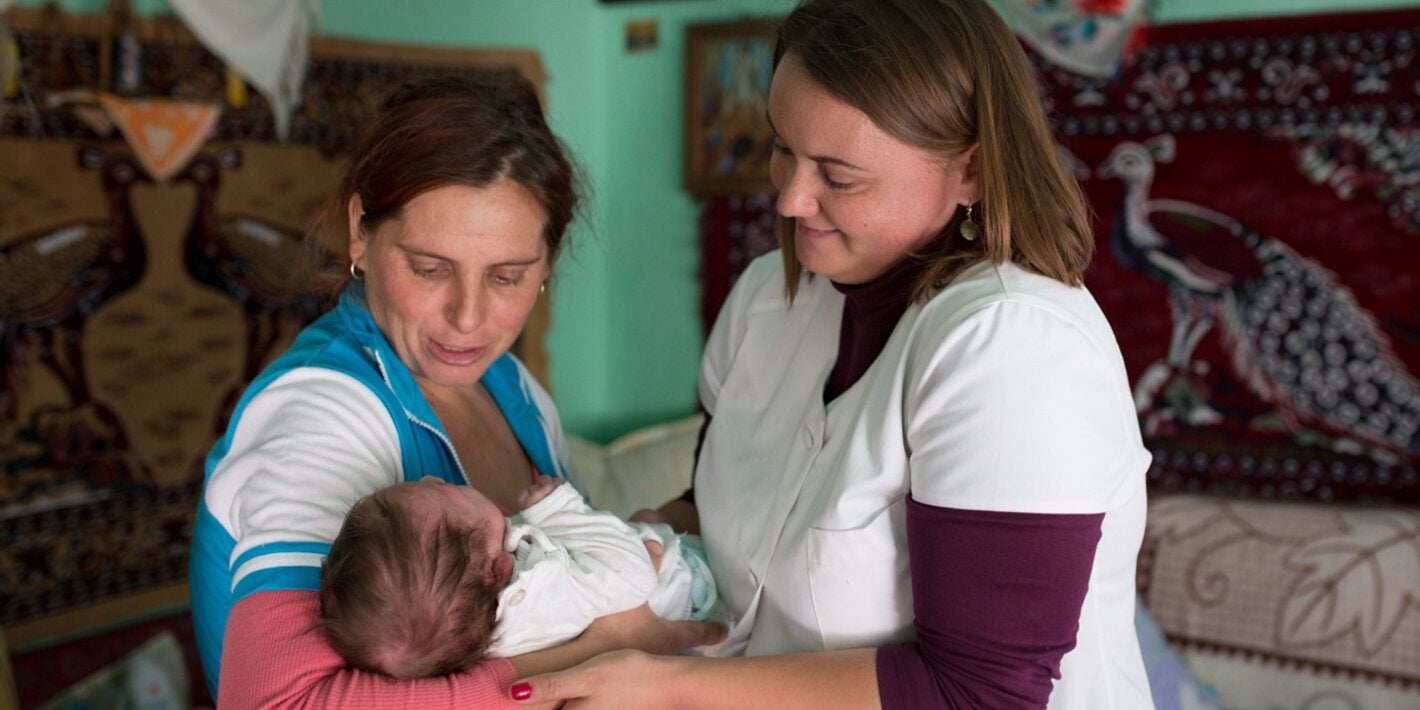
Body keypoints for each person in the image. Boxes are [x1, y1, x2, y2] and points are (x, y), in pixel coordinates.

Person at [510, 0, 1154, 707]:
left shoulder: (1013, 348)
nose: (789, 200)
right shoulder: (768, 300)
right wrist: (629, 554)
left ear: (970, 169)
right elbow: (724, 512)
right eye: (782, 149)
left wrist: (670, 685)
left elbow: (981, 692)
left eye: (838, 177)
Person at [187, 75, 722, 708]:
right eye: (430, 268)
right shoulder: (324, 416)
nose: (468, 320)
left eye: (507, 276)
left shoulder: (511, 389)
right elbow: (278, 704)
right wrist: (604, 648)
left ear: (547, 262)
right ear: (362, 230)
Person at [318, 475, 720, 678]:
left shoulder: (473, 616)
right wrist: (558, 509)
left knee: (647, 522)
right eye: (448, 492)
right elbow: (634, 577)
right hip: (695, 589)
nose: (431, 478)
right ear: (498, 569)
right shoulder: (537, 593)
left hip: (647, 582)